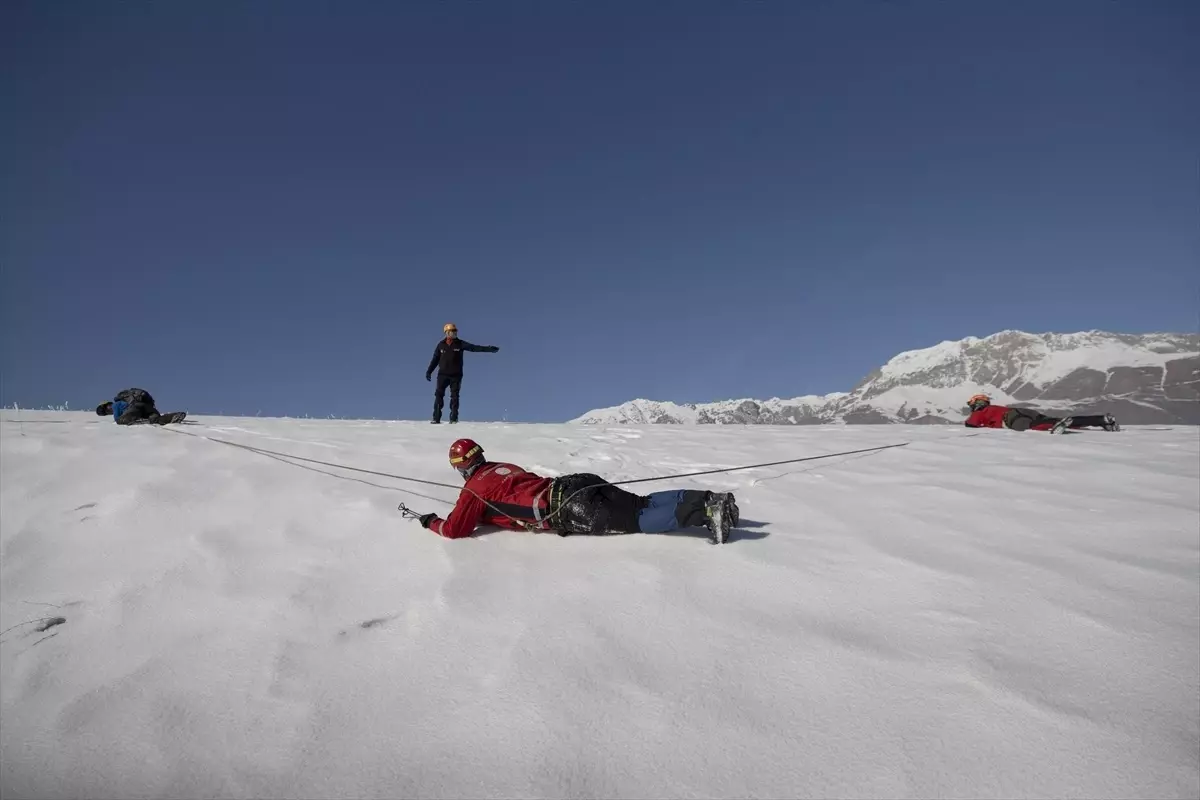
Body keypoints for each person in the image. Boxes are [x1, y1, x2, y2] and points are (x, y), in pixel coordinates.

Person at [414, 439, 741, 544]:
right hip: (573, 484)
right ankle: (709, 500)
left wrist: (431, 521)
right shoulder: (503, 467)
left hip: (568, 508)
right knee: (642, 503)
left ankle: (704, 514)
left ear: (461, 467)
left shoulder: (473, 490)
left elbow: (456, 529)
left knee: (639, 520)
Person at [425, 323, 499, 424]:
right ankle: (436, 418)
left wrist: (488, 349)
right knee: (439, 395)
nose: (454, 333)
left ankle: (454, 418)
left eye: (455, 331)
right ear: (447, 333)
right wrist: (429, 371)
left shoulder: (460, 343)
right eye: (452, 332)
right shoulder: (440, 345)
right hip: (442, 375)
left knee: (454, 396)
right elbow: (435, 360)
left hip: (456, 375)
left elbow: (474, 348)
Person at [963, 393, 1119, 433]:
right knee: (1061, 420)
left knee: (1037, 426)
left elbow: (971, 424)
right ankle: (1102, 420)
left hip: (1011, 419)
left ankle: (1054, 426)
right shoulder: (994, 407)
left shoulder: (981, 411)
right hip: (1020, 410)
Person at [95, 388, 187, 426]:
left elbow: (117, 419)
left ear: (107, 406)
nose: (108, 412)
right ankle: (173, 416)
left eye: (106, 411)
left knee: (120, 421)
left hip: (135, 408)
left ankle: (138, 420)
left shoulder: (115, 405)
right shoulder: (124, 401)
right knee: (156, 420)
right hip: (147, 407)